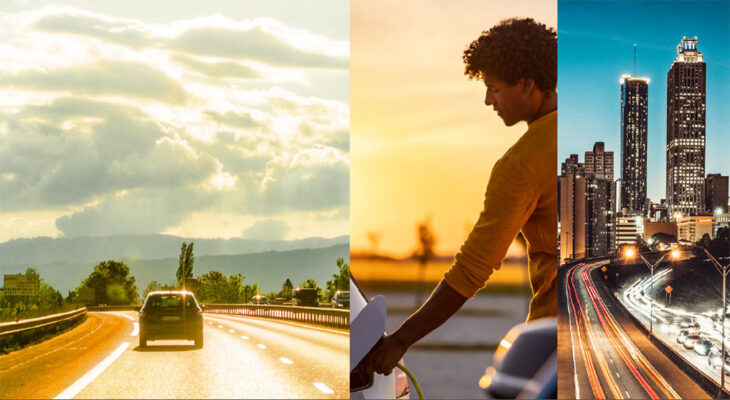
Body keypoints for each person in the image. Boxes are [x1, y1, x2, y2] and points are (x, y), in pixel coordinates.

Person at [357, 17, 557, 376]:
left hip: (553, 346)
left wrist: (401, 339)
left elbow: (471, 270)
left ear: (527, 84)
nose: (487, 100)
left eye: (494, 89)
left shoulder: (520, 165)